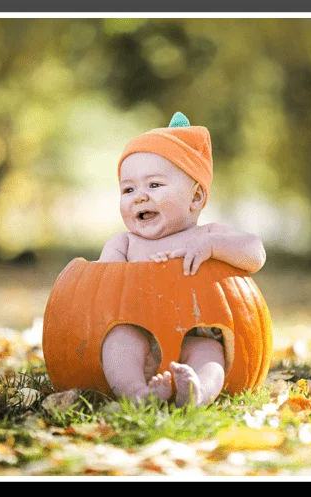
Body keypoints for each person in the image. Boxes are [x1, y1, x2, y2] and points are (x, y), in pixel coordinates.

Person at [97, 112, 266, 407]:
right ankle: (136, 392)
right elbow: (97, 292)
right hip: (141, 337)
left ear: (196, 198)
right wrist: (111, 269)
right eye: (128, 189)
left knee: (210, 353)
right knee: (118, 343)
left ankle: (197, 391)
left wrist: (213, 246)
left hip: (193, 334)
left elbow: (256, 253)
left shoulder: (209, 235)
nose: (138, 197)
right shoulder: (122, 243)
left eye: (154, 185)